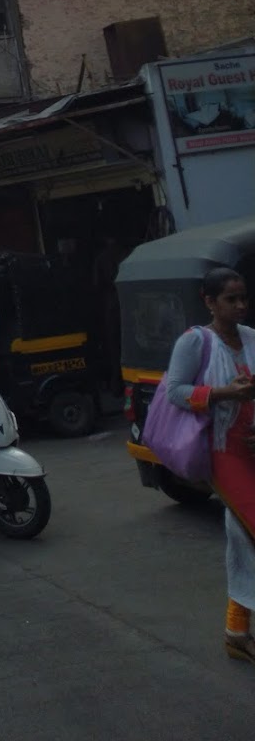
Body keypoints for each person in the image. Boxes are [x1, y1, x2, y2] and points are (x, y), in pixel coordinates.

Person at [164, 266, 255, 664]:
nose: (240, 306)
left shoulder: (252, 338)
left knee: (242, 539)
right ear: (209, 301)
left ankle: (237, 632)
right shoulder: (194, 342)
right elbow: (175, 392)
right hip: (224, 453)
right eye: (230, 299)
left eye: (243, 298)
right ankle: (237, 633)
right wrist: (222, 392)